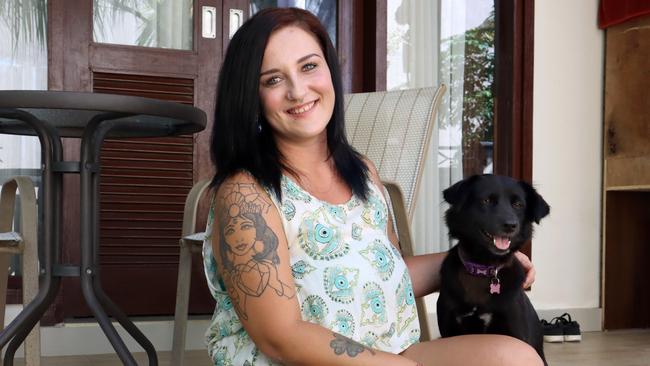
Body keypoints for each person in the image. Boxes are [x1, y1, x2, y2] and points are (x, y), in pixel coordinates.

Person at [203, 7, 543, 366]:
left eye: (309, 66)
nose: (298, 90)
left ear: (329, 71)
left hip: (389, 355)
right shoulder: (245, 195)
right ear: (250, 97)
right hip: (300, 361)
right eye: (273, 80)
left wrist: (481, 262)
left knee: (517, 359)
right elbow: (280, 336)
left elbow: (387, 276)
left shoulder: (361, 172)